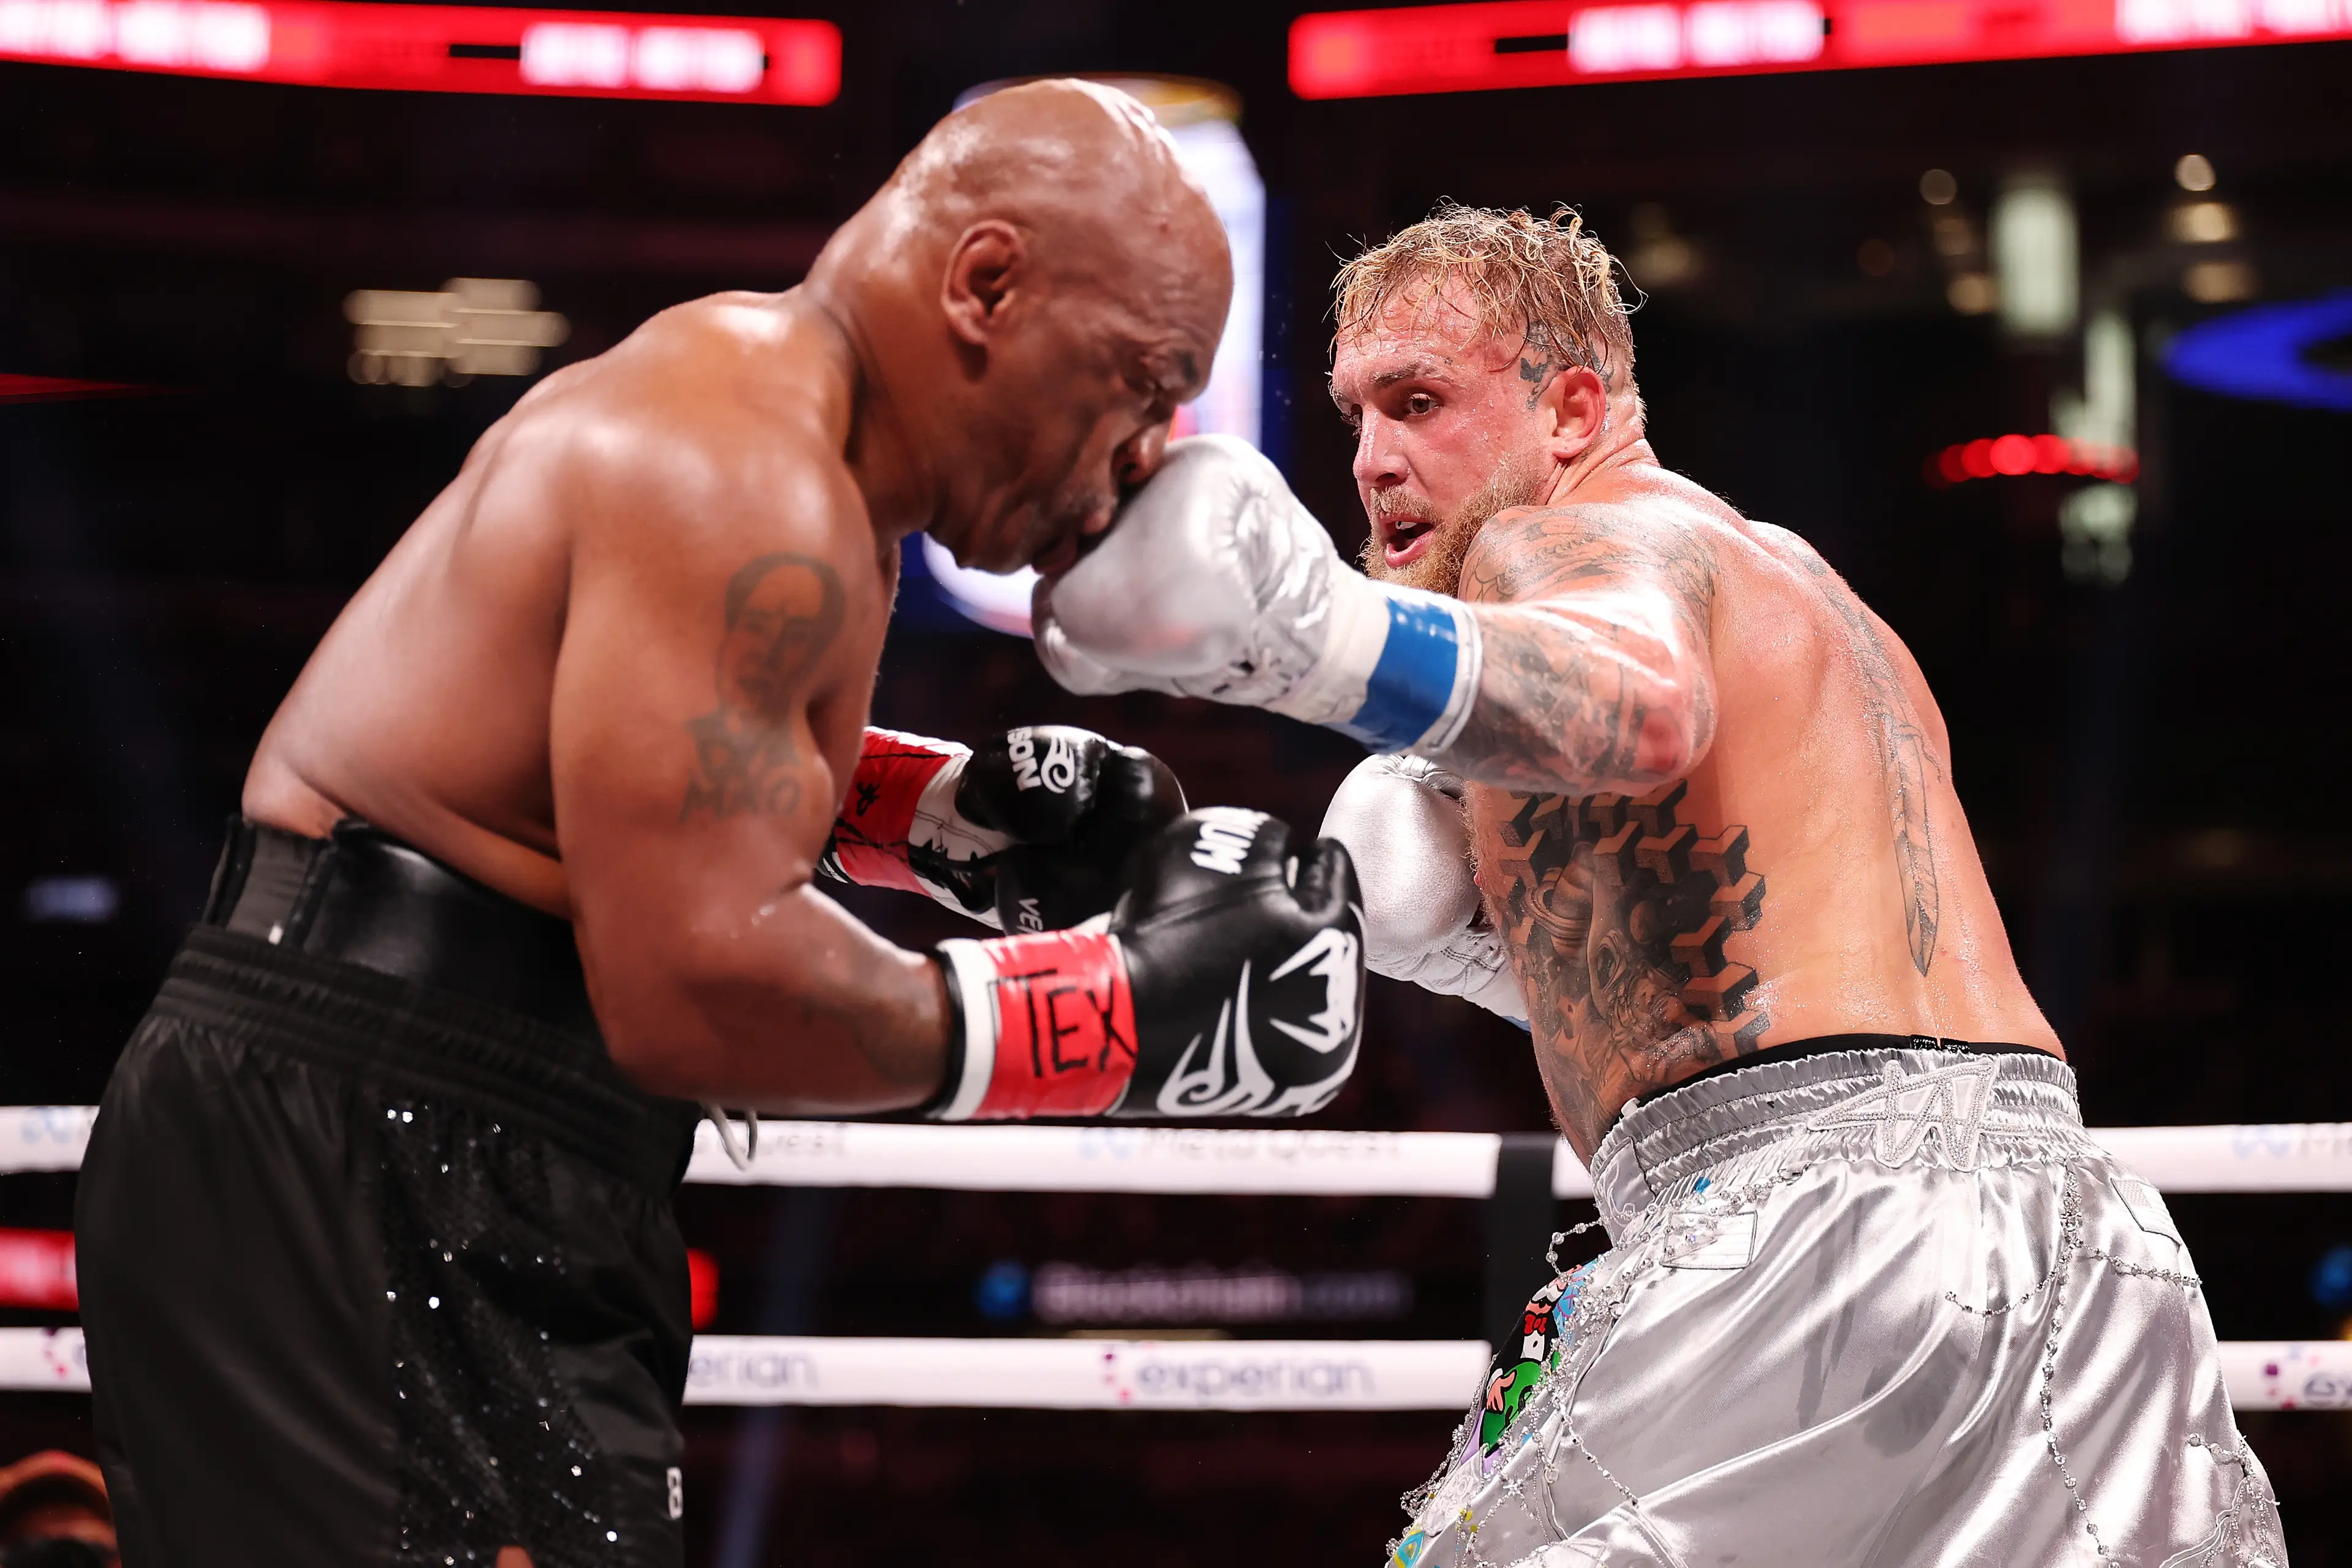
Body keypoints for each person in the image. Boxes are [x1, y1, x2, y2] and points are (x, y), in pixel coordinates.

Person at [73, 81, 1366, 1568]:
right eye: (1144, 383)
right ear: (987, 284)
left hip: (443, 1122)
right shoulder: (741, 465)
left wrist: (945, 820)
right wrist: (1107, 1016)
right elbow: (691, 978)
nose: (1150, 452)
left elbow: (650, 770)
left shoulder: (788, 446)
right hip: (374, 1127)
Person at [1033, 203, 2286, 1564]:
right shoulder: (1809, 593)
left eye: (1420, 401)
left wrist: (1295, 632)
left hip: (1811, 1228)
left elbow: (1643, 706)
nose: (1373, 462)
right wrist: (1444, 939)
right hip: (2081, 1249)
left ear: (1572, 410)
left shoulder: (1566, 545)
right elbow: (1733, 986)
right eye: (1354, 415)